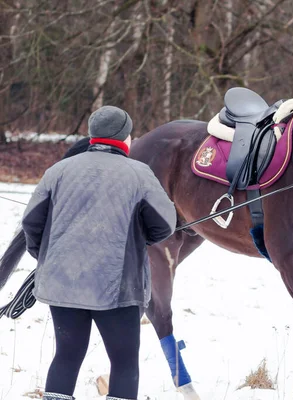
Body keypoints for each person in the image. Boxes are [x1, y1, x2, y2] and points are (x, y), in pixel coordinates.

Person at [21, 106, 177, 400]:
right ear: (124, 137)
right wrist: (138, 241)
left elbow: (31, 221)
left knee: (66, 356)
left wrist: (47, 257)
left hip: (63, 283)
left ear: (93, 135)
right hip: (117, 287)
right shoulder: (139, 174)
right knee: (124, 362)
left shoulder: (59, 170)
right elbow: (165, 224)